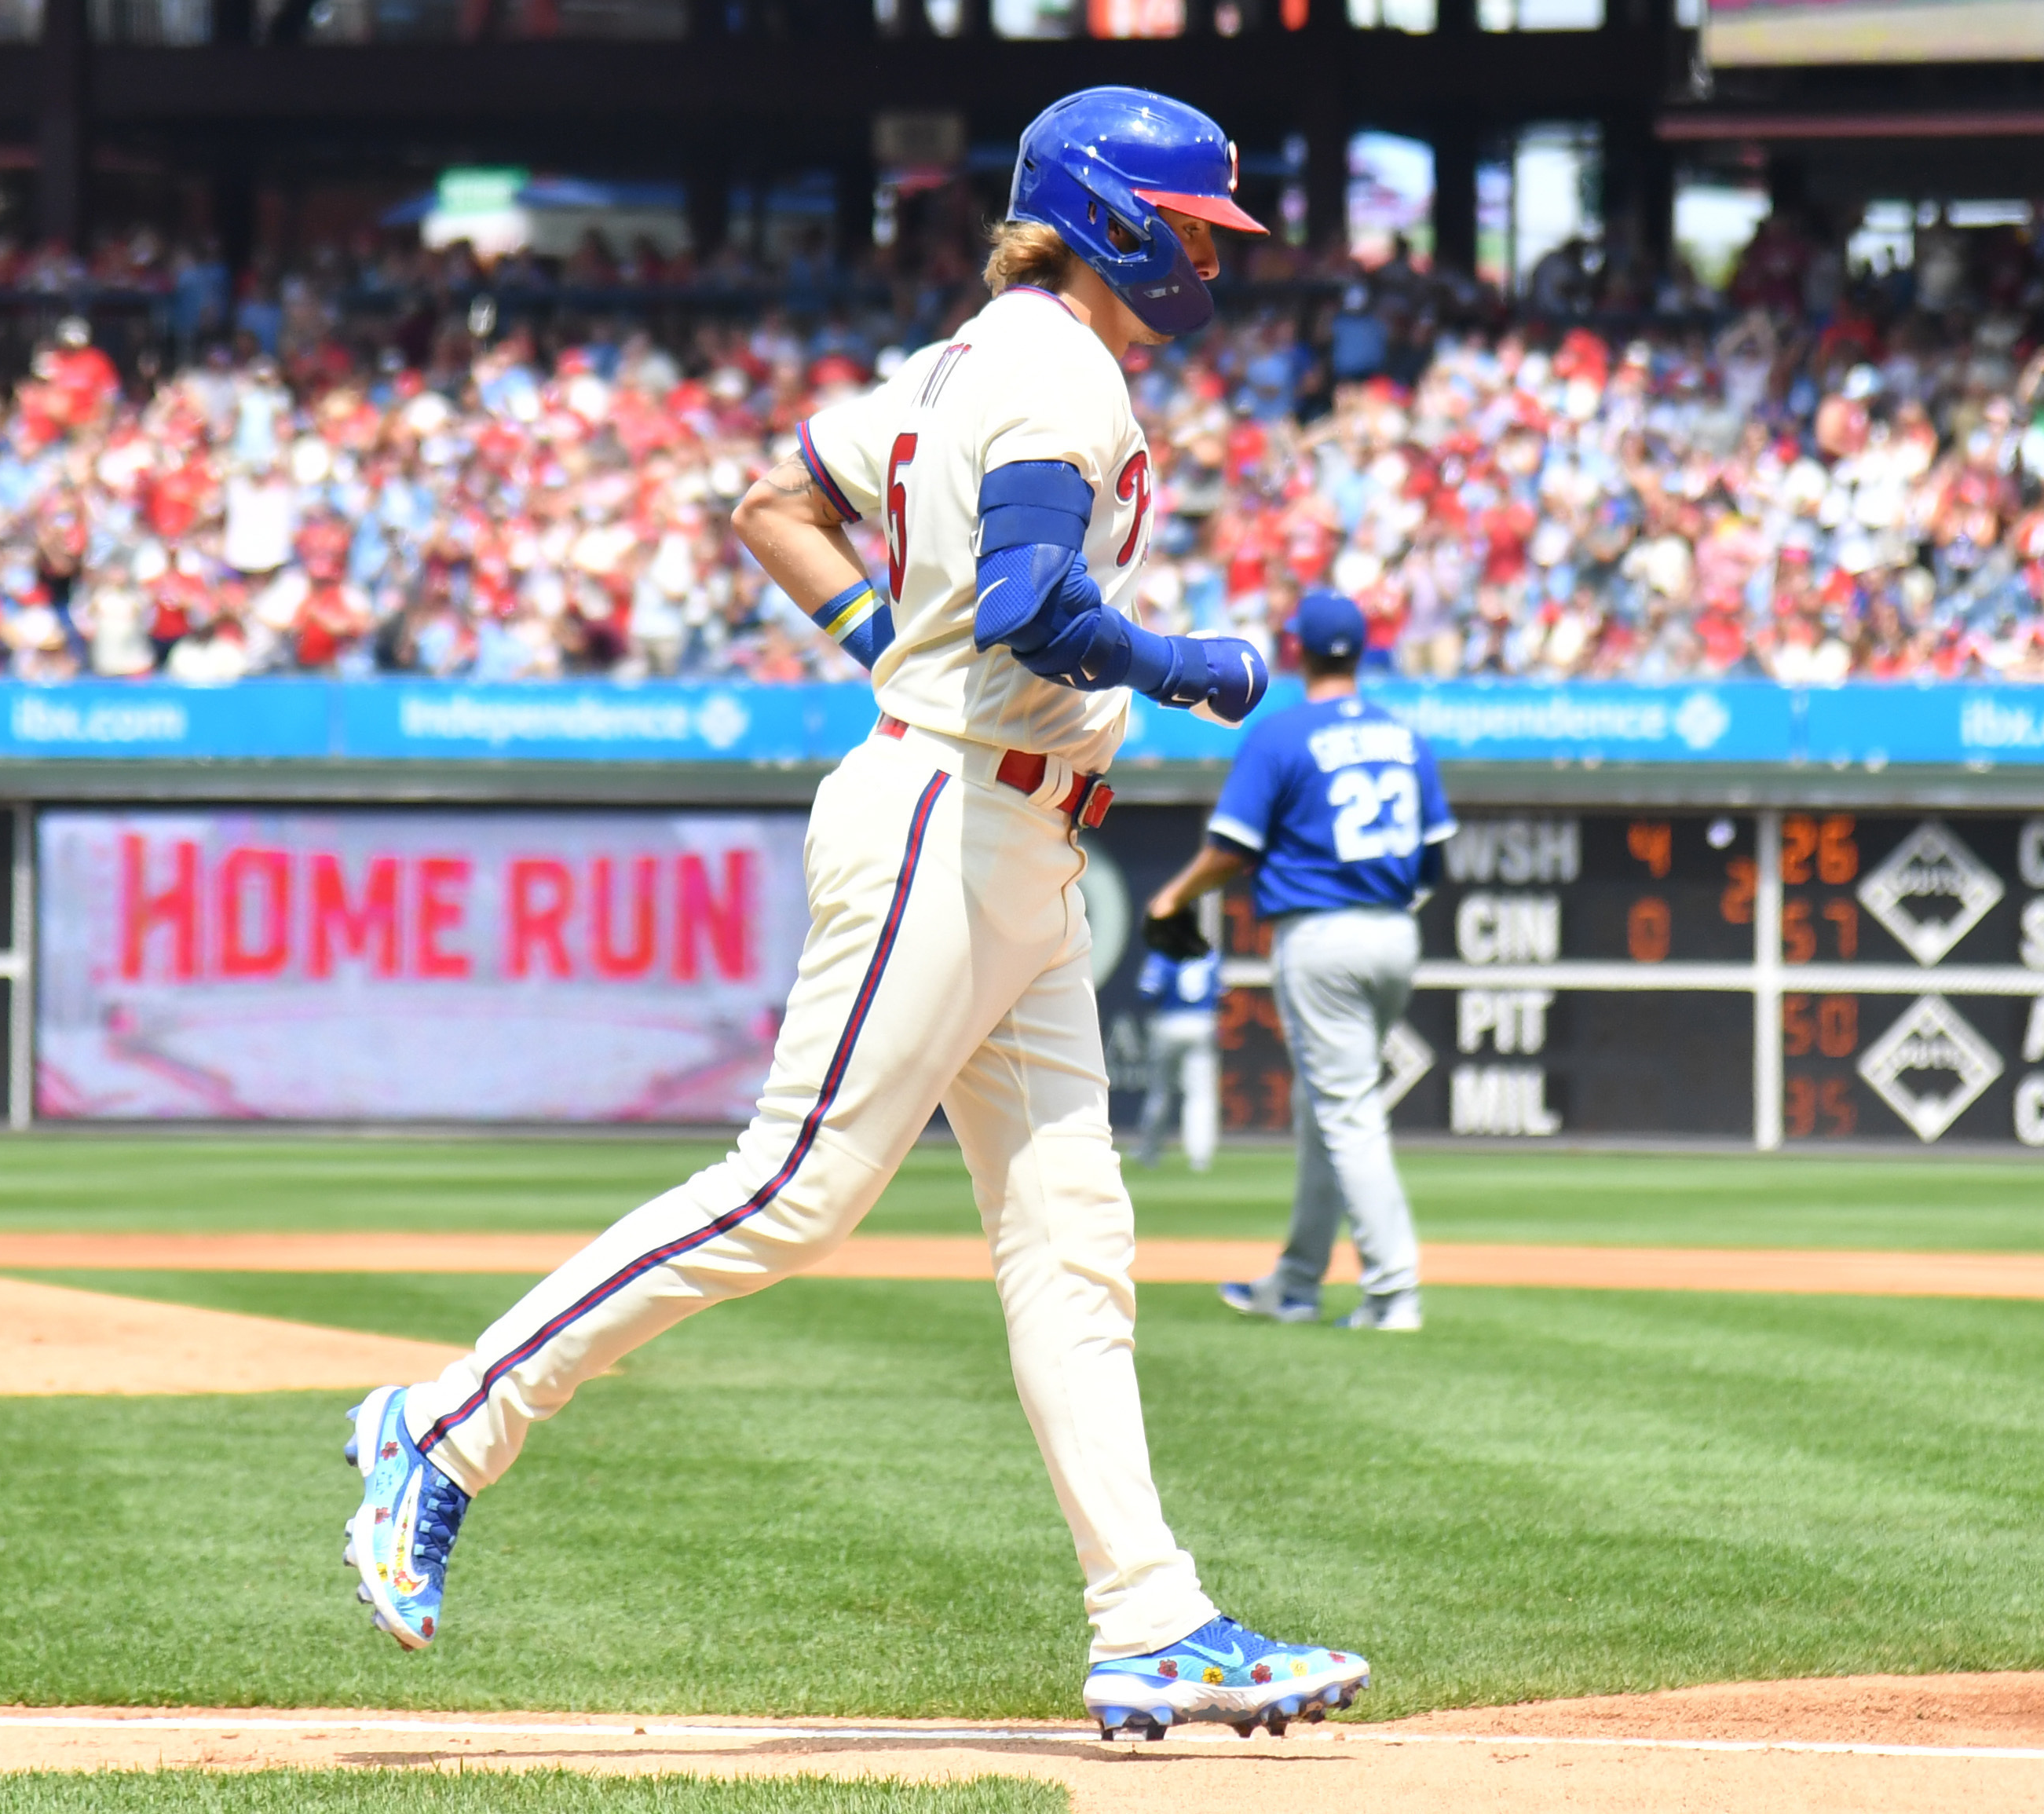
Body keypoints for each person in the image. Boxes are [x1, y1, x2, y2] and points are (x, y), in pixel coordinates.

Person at [340, 87, 1376, 1743]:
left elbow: (771, 501)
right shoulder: (1057, 366)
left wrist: (888, 650)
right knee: (794, 1195)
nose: (1204, 254)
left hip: (1001, 833)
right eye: (1190, 223)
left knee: (1070, 1243)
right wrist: (1185, 670)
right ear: (1114, 216)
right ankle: (445, 1421)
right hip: (951, 820)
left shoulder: (972, 353)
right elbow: (1036, 611)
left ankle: (1149, 1622)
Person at [1141, 588, 1451, 1331]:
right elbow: (1435, 862)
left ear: (1297, 651)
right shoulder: (1404, 737)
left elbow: (1231, 849)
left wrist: (1171, 899)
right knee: (1327, 1108)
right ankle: (1297, 1281)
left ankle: (1393, 1291)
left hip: (1322, 935)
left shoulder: (1282, 735)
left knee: (1344, 1112)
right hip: (1394, 933)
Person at [1133, 938, 1222, 1173]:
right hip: (1202, 1023)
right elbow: (1219, 991)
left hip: (1169, 1022)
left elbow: (1148, 991)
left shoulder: (1163, 953)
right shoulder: (1209, 955)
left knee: (1160, 1092)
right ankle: (1199, 1158)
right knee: (1201, 1095)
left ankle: (1149, 1151)